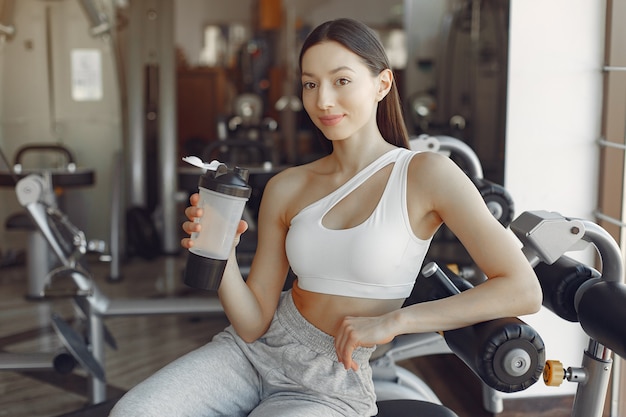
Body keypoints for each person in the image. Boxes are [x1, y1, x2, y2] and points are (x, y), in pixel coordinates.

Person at [110, 17, 542, 417]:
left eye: (342, 81)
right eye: (310, 84)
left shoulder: (426, 175)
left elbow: (523, 289)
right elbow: (252, 321)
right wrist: (218, 252)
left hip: (329, 380)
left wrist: (399, 320)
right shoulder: (287, 186)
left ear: (382, 84)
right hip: (250, 354)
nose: (324, 100)